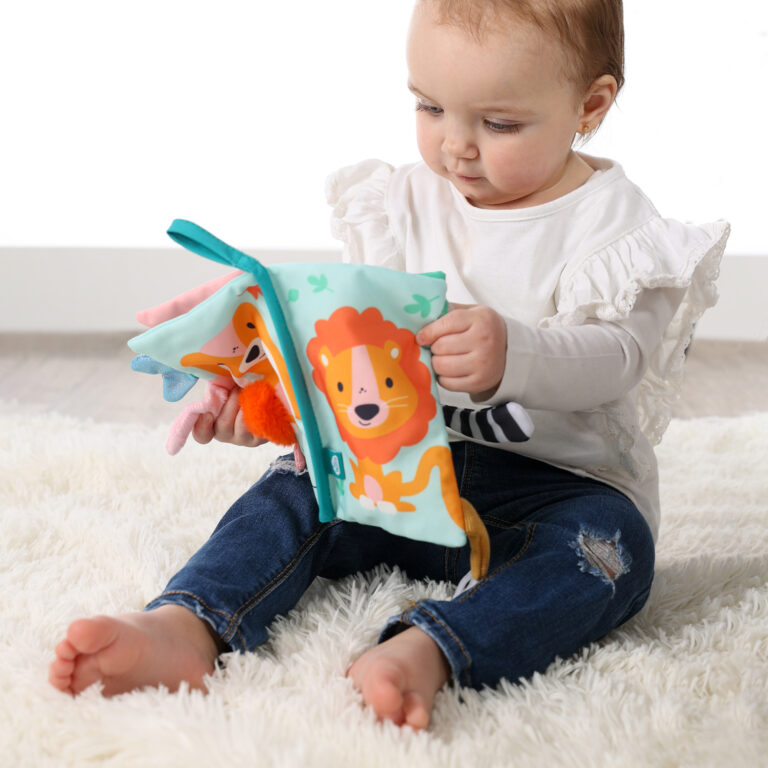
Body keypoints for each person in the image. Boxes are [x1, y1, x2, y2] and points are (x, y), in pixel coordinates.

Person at [49, 0, 729, 730]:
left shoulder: (619, 228)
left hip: (564, 487)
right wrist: (269, 399)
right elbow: (349, 350)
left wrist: (516, 351)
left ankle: (433, 647)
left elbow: (620, 359)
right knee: (296, 485)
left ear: (588, 106)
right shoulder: (403, 202)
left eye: (498, 123)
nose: (455, 147)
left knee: (610, 559)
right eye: (430, 107)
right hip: (403, 464)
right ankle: (189, 621)